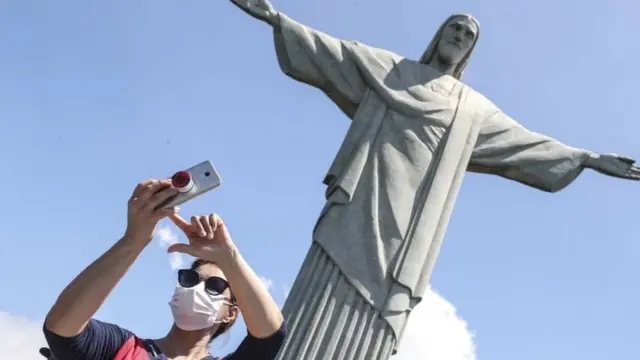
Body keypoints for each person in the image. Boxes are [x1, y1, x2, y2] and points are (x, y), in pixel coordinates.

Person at [227, 1, 640, 359]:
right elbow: (335, 52)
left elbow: (525, 144)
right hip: (360, 202)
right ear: (440, 34)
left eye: (467, 34)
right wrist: (275, 19)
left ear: (469, 50)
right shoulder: (392, 70)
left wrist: (586, 158)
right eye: (454, 28)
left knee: (381, 306)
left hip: (409, 230)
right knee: (324, 283)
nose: (459, 36)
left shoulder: (473, 110)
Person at [43, 179, 286, 360]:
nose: (196, 289)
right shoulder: (123, 349)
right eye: (189, 279)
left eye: (214, 286)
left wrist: (230, 257)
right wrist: (133, 240)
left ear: (231, 313)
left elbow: (271, 335)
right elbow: (61, 330)